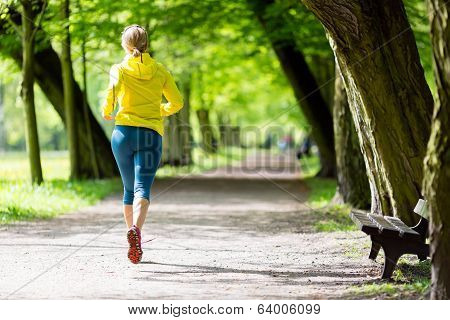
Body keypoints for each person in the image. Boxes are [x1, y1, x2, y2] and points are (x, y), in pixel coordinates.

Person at [101, 24, 183, 264]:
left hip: (123, 134)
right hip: (150, 134)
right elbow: (177, 102)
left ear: (126, 45)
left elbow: (110, 96)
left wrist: (107, 112)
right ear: (147, 44)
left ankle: (132, 234)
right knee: (141, 190)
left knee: (128, 190)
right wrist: (160, 109)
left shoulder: (119, 69)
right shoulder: (160, 70)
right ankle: (135, 231)